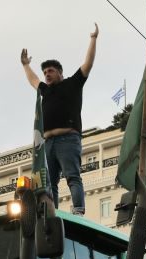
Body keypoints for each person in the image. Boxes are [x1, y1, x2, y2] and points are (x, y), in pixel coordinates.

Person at [20, 24, 99, 216]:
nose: (47, 74)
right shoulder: (45, 91)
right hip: (48, 143)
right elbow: (33, 80)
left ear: (60, 73)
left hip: (67, 139)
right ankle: (53, 214)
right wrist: (25, 65)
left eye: (51, 71)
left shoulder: (72, 84)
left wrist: (93, 39)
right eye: (45, 71)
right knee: (50, 184)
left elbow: (87, 65)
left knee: (72, 176)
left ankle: (78, 210)